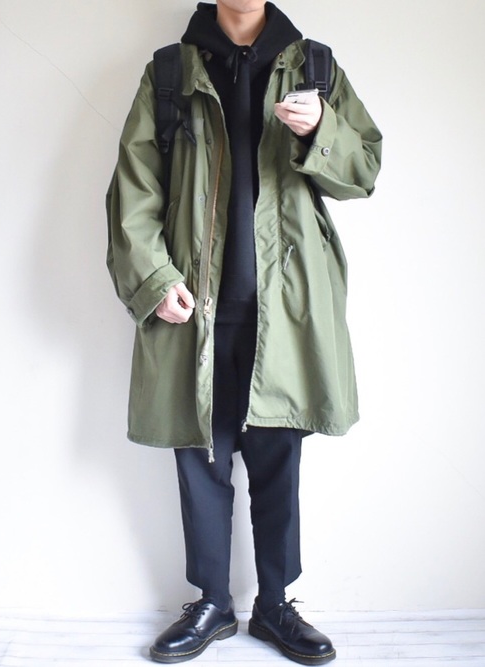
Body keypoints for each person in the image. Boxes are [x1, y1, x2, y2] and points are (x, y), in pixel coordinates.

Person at [106, 0, 382, 663]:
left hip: (287, 309)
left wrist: (322, 130)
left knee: (278, 456)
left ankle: (276, 605)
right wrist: (153, 279)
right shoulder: (170, 73)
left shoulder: (314, 67)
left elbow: (364, 171)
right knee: (199, 456)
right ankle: (211, 603)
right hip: (194, 306)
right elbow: (134, 189)